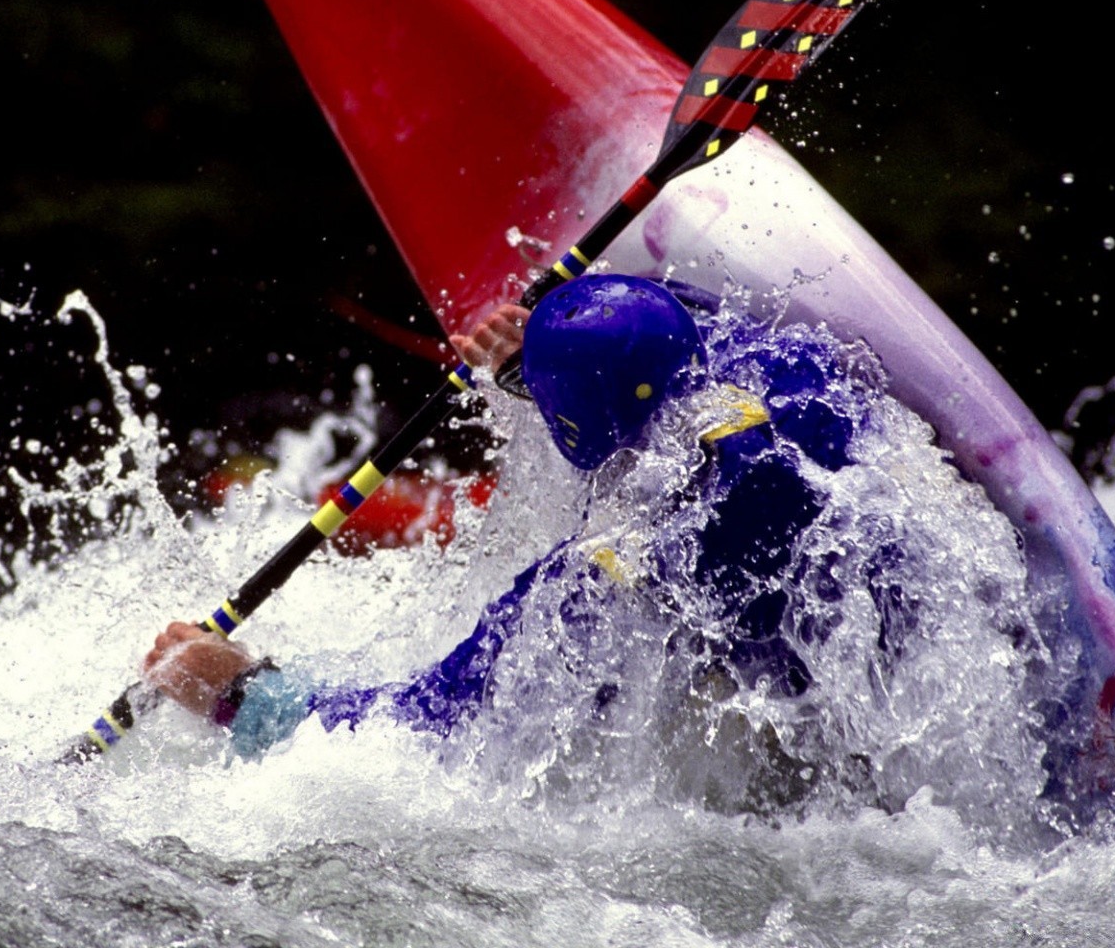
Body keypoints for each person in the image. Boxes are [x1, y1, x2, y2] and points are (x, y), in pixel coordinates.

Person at [142, 275, 910, 776]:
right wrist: (555, 340)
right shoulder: (799, 377)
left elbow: (425, 730)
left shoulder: (615, 568)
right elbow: (691, 322)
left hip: (817, 760)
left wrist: (241, 694)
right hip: (898, 675)